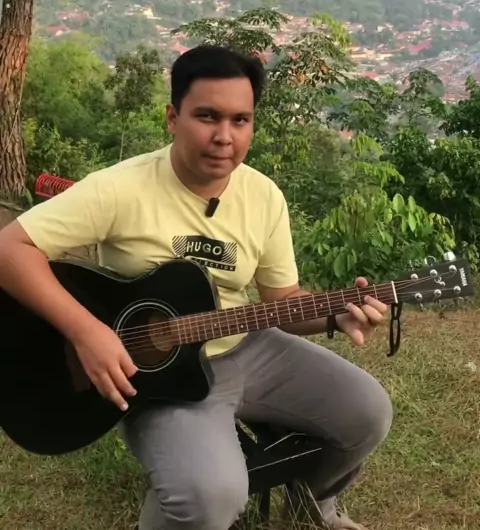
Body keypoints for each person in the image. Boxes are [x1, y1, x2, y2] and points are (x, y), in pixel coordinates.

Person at [0, 44, 393, 530]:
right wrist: (87, 332)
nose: (224, 137)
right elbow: (10, 249)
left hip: (247, 345)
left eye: (240, 120)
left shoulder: (264, 196)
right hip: (156, 372)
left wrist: (337, 313)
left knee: (367, 413)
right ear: (173, 118)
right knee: (208, 496)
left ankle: (314, 503)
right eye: (207, 116)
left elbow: (283, 301)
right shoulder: (120, 188)